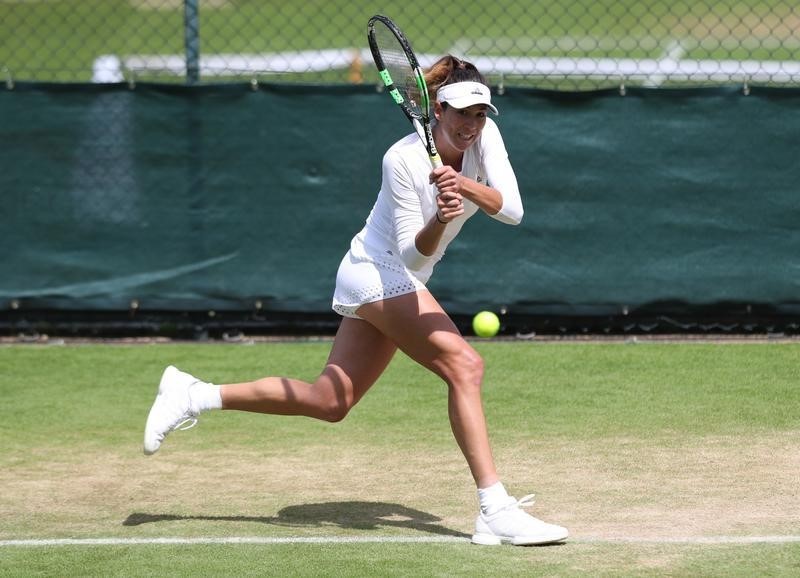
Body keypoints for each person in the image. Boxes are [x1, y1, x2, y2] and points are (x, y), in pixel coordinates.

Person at [143, 55, 568, 547]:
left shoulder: (484, 139)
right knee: (465, 366)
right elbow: (412, 255)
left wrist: (462, 187)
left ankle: (193, 393)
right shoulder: (402, 159)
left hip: (403, 277)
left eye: (479, 114)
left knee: (330, 401)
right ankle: (494, 508)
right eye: (460, 113)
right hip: (375, 270)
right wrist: (440, 218)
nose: (471, 125)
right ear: (436, 110)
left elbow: (512, 210)